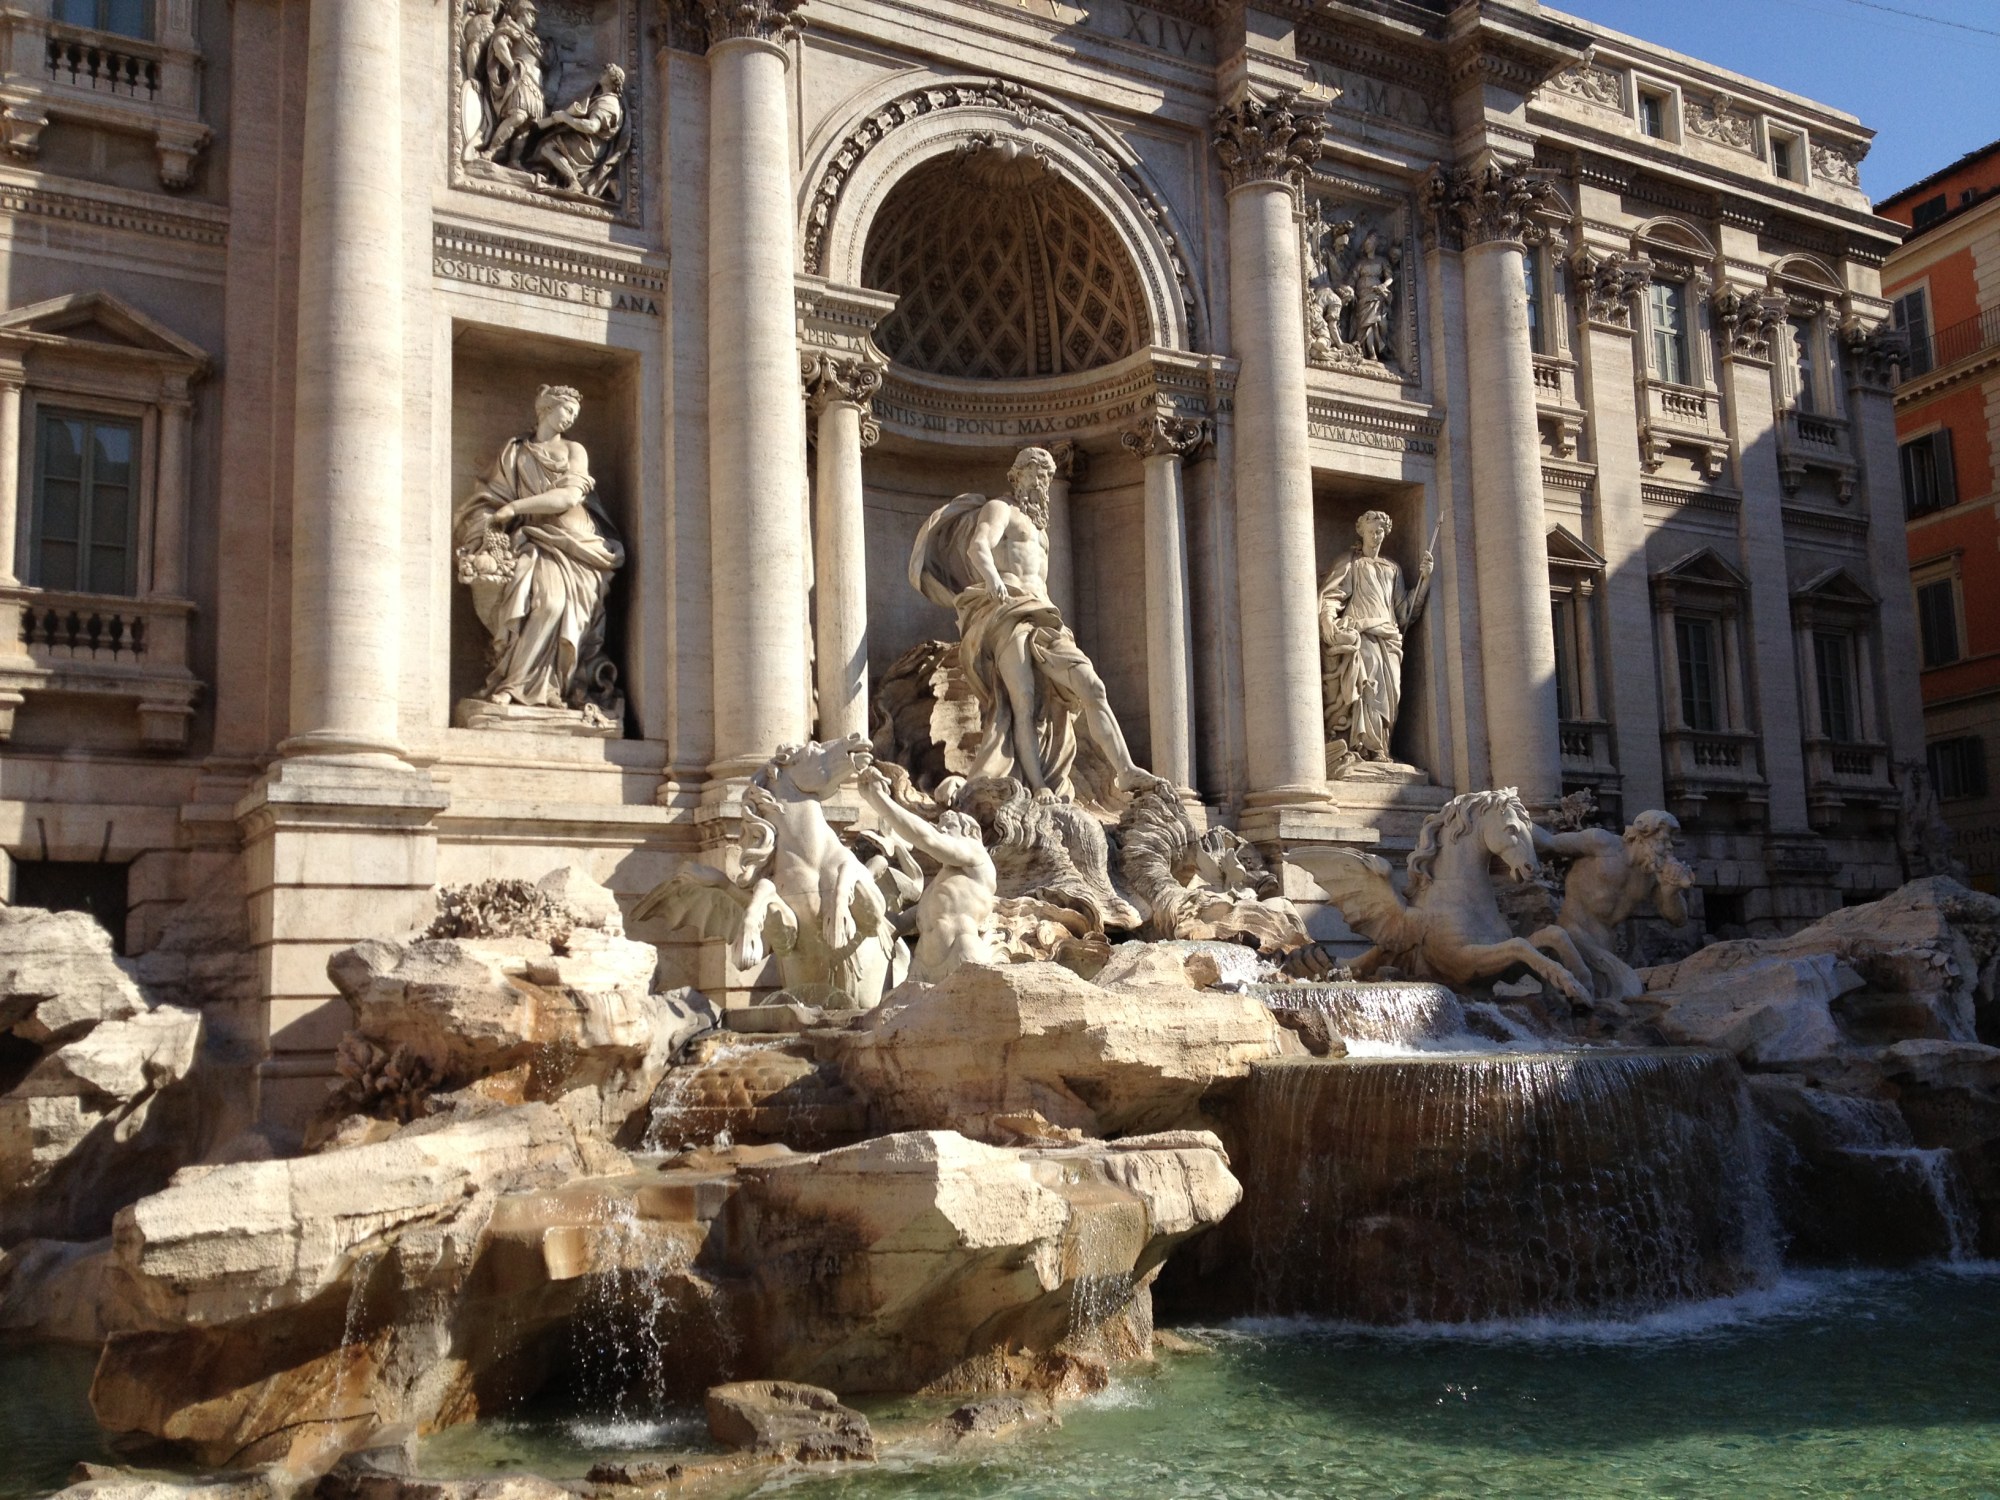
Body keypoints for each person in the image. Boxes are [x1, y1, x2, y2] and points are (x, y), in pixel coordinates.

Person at [909, 446, 1163, 799]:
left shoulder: (1042, 533)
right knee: (1023, 702)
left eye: (1046, 475)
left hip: (1044, 618)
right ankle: (1038, 785)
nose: (1041, 481)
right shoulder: (1000, 509)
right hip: (1006, 613)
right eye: (1034, 472)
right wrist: (994, 579)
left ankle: (1125, 770)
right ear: (1016, 476)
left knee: (1092, 686)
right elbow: (978, 547)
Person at [453, 385, 624, 715]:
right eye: (566, 409)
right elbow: (490, 498)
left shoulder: (575, 451)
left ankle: (540, 686)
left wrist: (514, 508)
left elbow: (568, 498)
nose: (571, 417)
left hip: (579, 547)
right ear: (545, 409)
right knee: (543, 603)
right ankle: (518, 685)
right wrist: (488, 525)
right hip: (533, 539)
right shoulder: (515, 453)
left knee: (556, 605)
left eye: (575, 412)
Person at [855, 764, 997, 982]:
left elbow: (928, 839)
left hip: (961, 954)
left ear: (971, 831)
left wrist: (879, 800)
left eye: (948, 826)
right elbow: (902, 923)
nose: (941, 830)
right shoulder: (941, 883)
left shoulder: (976, 855)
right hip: (922, 965)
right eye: (939, 826)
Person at [1534, 810, 1693, 1000]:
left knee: (1615, 998)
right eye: (1664, 840)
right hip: (1571, 935)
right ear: (1643, 835)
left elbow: (1678, 919)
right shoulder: (1603, 844)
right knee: (1630, 989)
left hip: (1606, 949)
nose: (1669, 848)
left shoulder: (1652, 875)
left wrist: (1671, 892)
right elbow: (1548, 842)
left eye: (1671, 844)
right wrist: (1510, 822)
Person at [1319, 510, 1430, 769]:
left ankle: (1382, 746)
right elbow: (1333, 596)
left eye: (1380, 531)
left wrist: (1424, 580)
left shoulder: (1392, 568)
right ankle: (1362, 747)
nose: (1375, 536)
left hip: (1389, 638)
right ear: (1362, 532)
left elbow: (1404, 610)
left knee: (1390, 696)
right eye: (1371, 531)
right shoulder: (1350, 563)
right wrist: (1327, 621)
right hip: (1363, 634)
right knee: (1367, 691)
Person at [534, 63, 627, 198]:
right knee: (547, 146)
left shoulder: (608, 102)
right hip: (590, 142)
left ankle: (573, 182)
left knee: (547, 148)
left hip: (591, 146)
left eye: (606, 72)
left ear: (612, 78)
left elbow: (592, 127)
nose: (602, 73)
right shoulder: (603, 98)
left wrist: (566, 118)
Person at [481, 0, 546, 170]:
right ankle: (491, 151)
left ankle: (514, 160)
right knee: (518, 116)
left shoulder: (532, 38)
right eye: (531, 14)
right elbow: (499, 44)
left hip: (534, 82)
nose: (533, 18)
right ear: (521, 13)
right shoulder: (511, 29)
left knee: (526, 126)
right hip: (521, 78)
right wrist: (511, 66)